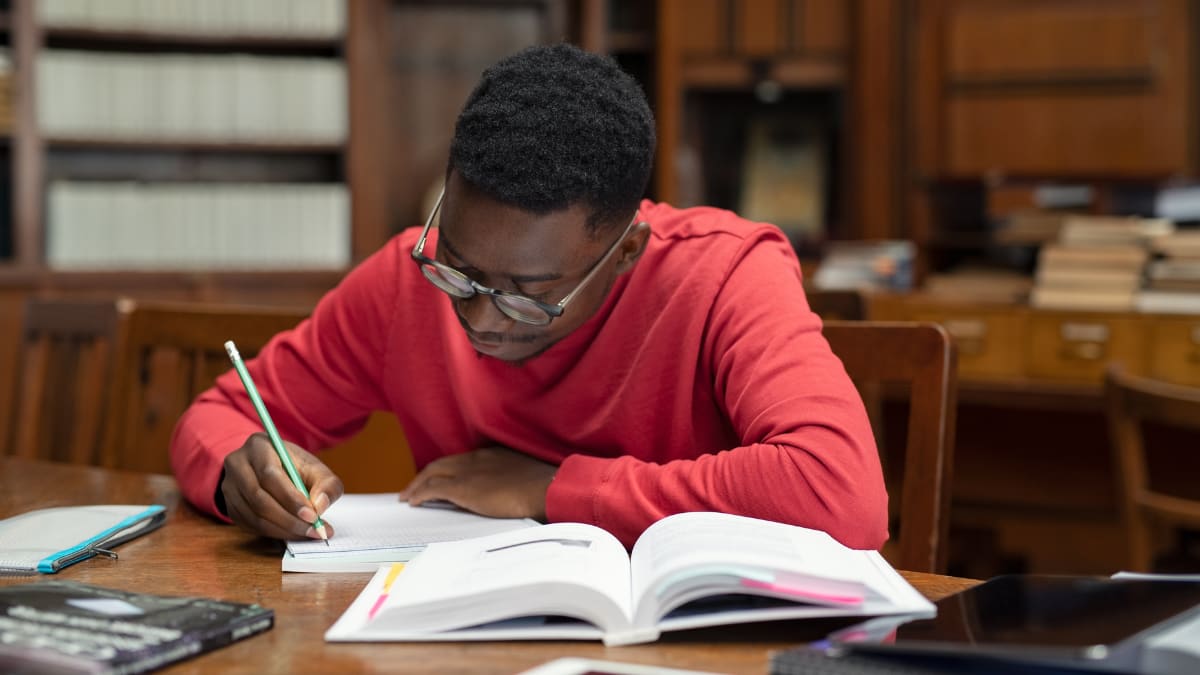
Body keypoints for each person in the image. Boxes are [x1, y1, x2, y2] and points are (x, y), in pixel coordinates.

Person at [170, 43, 887, 551]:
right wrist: (241, 472)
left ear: (625, 251)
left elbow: (838, 491)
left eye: (529, 296)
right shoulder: (403, 281)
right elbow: (219, 416)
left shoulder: (724, 273)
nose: (479, 317)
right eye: (457, 265)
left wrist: (554, 490)